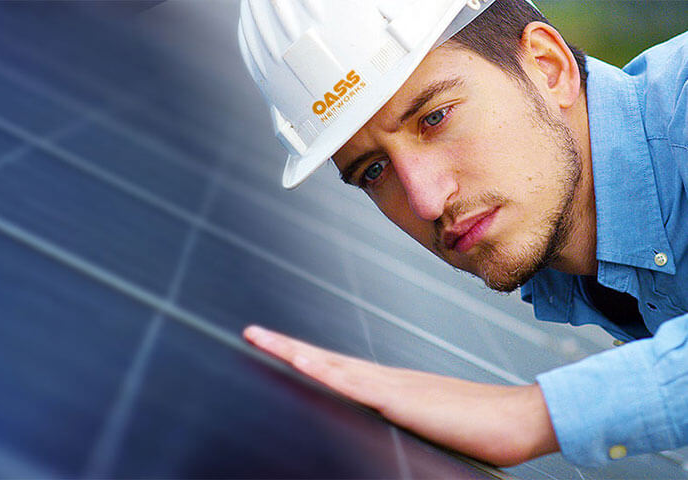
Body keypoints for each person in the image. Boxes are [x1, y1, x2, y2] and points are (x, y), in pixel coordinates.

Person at [237, 0, 688, 467]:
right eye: (374, 171)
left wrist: (528, 416)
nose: (425, 201)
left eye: (435, 117)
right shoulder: (576, 268)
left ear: (548, 68)